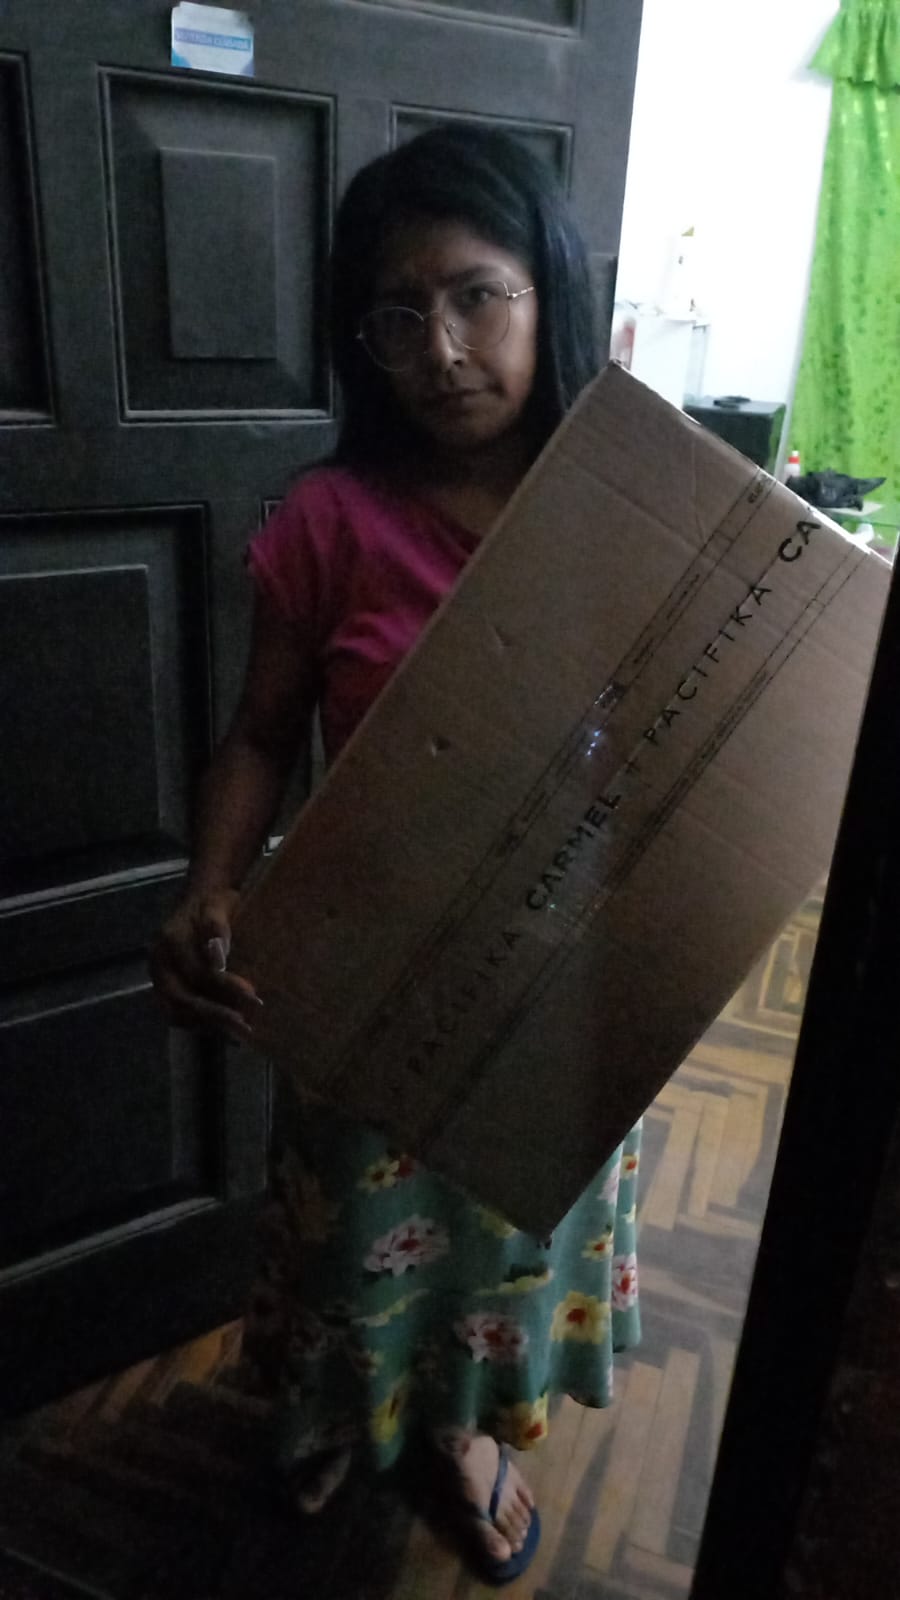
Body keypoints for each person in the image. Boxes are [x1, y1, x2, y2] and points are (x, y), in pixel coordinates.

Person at [150, 123, 641, 1588]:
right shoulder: (331, 522)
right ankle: (329, 1412)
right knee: (351, 1234)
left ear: (548, 291)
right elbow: (259, 734)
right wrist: (210, 885)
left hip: (561, 981)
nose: (441, 349)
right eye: (397, 315)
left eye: (477, 295)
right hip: (367, 974)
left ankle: (459, 1430)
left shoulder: (625, 508)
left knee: (503, 1242)